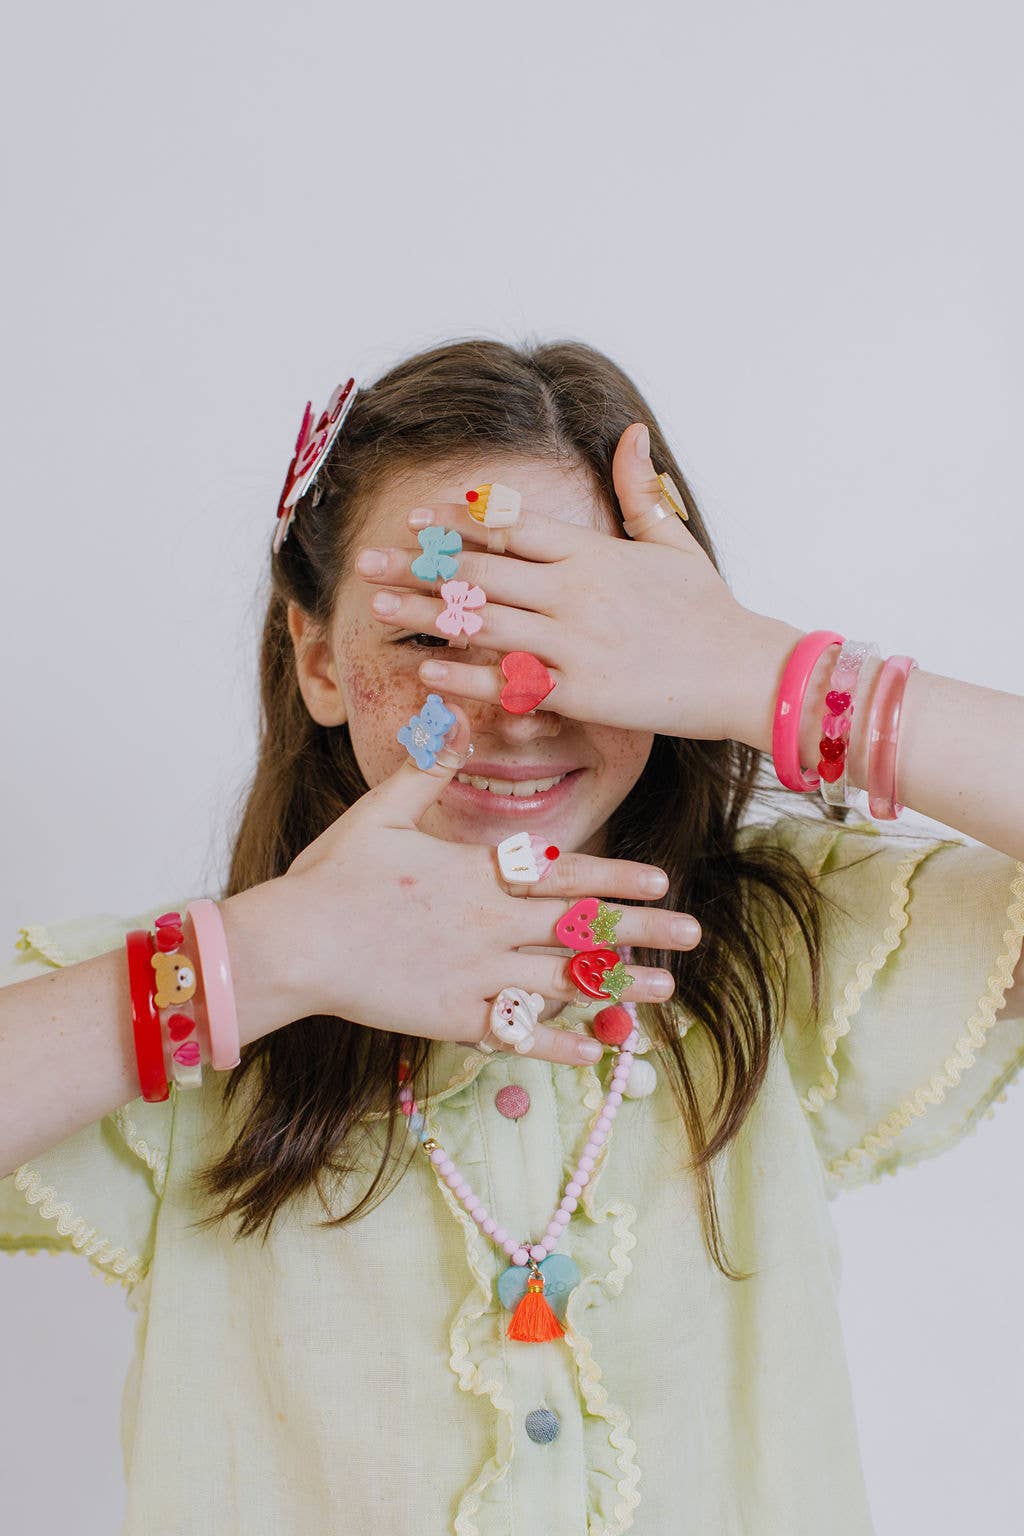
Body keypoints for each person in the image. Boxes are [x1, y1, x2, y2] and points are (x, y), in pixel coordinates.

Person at [2, 337, 1022, 1535]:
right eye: (435, 638)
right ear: (320, 657)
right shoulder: (188, 1002)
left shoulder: (784, 947)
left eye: (581, 644)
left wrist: (766, 672)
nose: (517, 708)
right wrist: (271, 956)